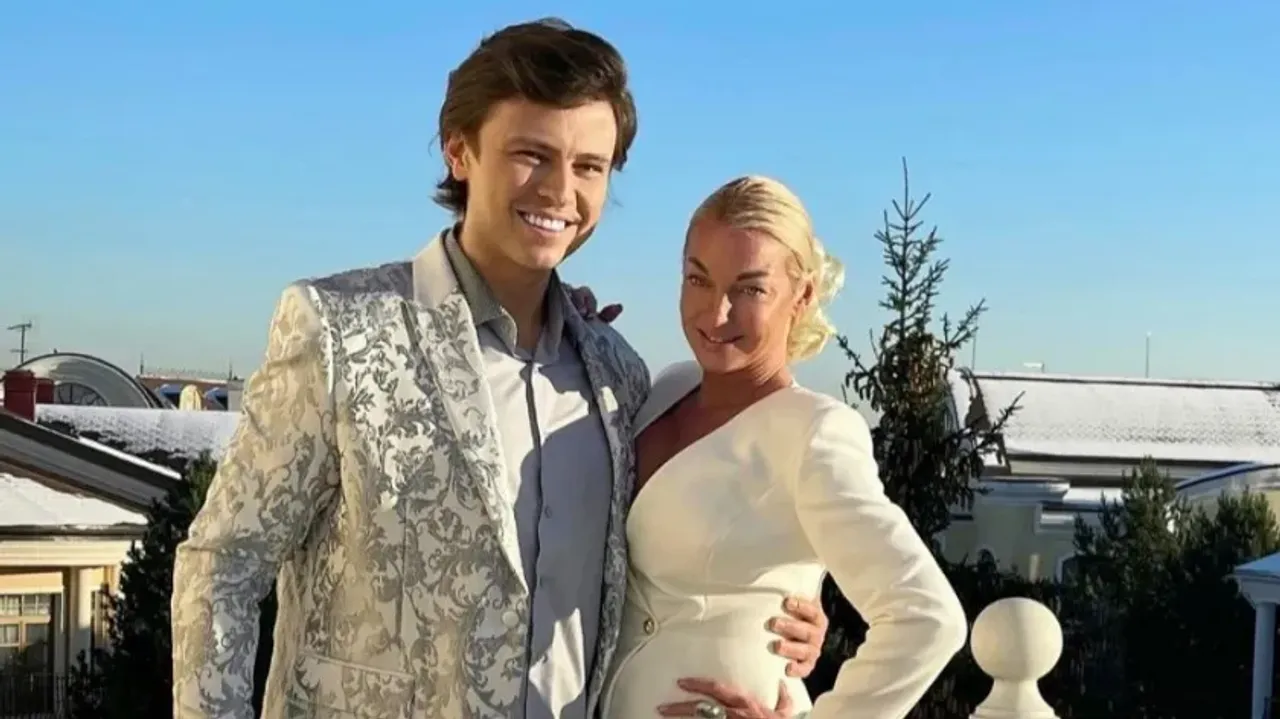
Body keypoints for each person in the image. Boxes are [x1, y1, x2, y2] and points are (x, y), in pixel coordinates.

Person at [170, 19, 827, 719]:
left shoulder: (619, 376)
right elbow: (224, 563)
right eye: (531, 155)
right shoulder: (340, 329)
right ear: (460, 150)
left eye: (589, 167)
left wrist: (773, 621)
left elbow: (660, 572)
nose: (560, 191)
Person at [599, 176, 968, 719]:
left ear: (803, 295)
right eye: (698, 279)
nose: (715, 313)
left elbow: (927, 617)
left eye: (749, 289)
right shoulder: (666, 390)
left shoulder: (815, 432)